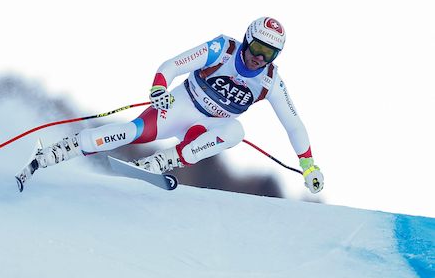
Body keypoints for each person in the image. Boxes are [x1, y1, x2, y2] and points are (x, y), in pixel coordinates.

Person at [35, 17, 324, 193]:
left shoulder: (271, 81)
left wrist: (308, 166)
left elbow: (293, 124)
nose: (260, 58)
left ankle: (159, 162)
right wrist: (159, 85)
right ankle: (58, 150)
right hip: (181, 105)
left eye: (270, 53)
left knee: (236, 131)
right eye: (258, 48)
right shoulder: (222, 49)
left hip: (208, 126)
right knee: (129, 132)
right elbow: (172, 65)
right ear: (248, 39)